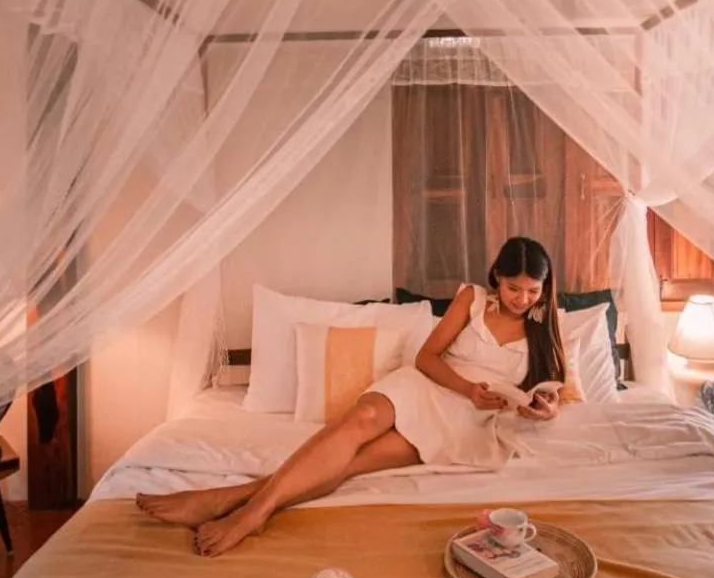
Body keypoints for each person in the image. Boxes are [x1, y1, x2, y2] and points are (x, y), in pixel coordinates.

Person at [137, 236, 570, 557]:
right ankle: (253, 514)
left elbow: (553, 392)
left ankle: (230, 499)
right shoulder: (471, 300)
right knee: (358, 420)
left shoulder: (544, 321)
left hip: (468, 423)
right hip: (432, 386)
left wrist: (543, 411)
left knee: (355, 462)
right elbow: (426, 357)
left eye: (533, 291)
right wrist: (467, 389)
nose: (523, 299)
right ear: (497, 276)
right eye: (515, 288)